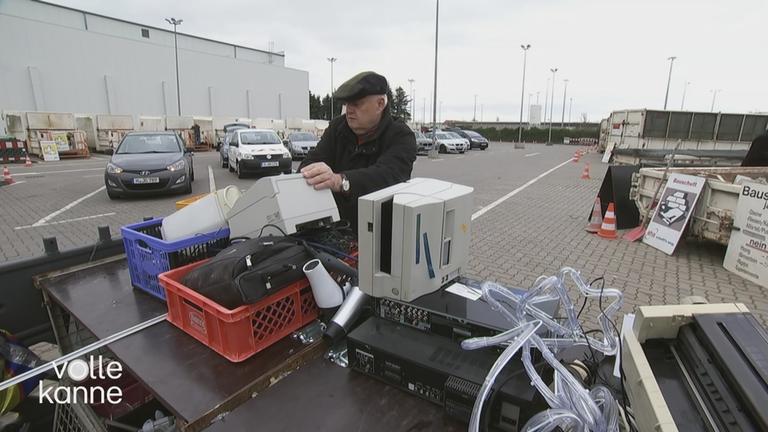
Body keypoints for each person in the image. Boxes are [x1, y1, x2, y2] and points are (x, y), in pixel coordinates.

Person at [299, 71, 417, 229]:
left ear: (380, 104)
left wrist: (341, 181)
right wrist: (311, 173)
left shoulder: (401, 136)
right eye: (347, 104)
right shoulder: (337, 128)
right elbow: (310, 163)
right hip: (332, 229)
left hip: (380, 231)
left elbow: (388, 176)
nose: (349, 110)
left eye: (357, 104)